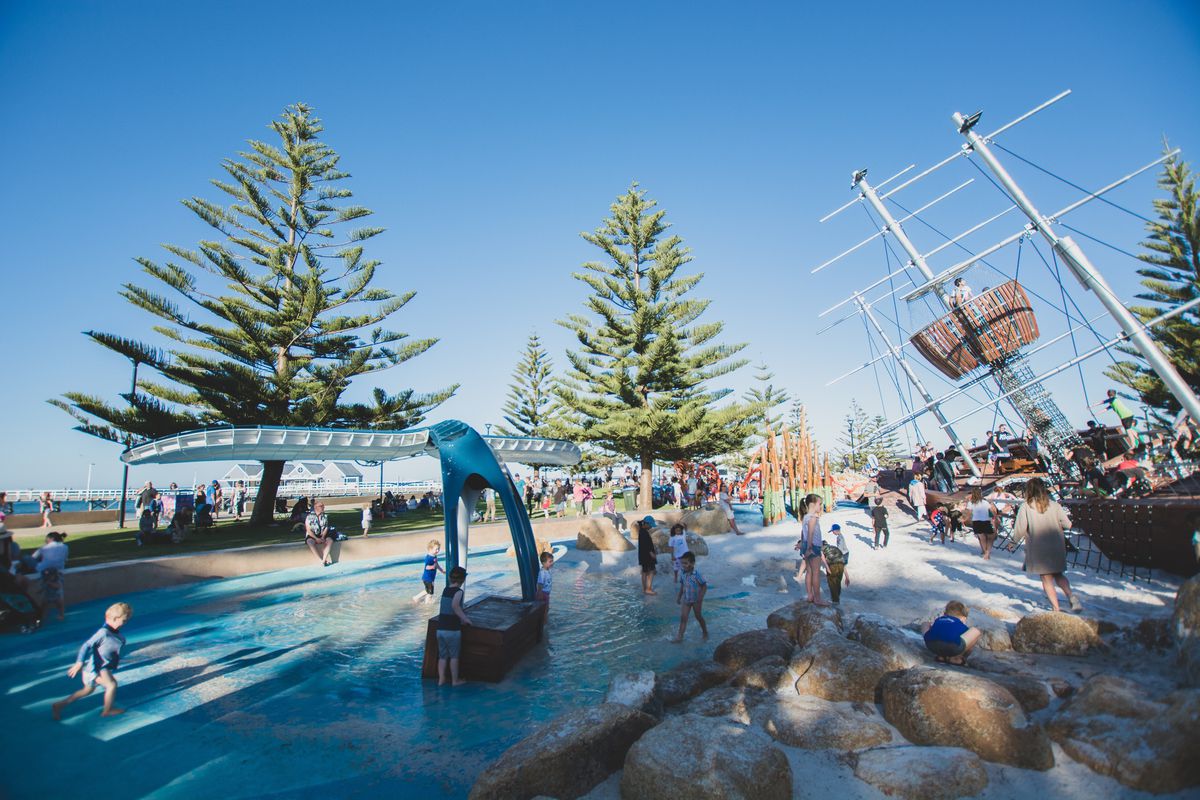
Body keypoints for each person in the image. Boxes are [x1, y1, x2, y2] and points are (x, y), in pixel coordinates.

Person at [1008, 477, 1082, 613]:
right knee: (1059, 574)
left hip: (1038, 547)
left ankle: (1056, 608)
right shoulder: (1054, 505)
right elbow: (1068, 524)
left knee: (1046, 579)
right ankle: (1071, 597)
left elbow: (1020, 527)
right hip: (1056, 545)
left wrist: (1013, 542)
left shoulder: (1026, 506)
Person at [52, 602, 134, 719]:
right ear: (115, 618)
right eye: (124, 620)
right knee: (111, 685)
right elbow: (86, 645)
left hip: (95, 668)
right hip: (97, 668)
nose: (125, 623)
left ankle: (59, 705)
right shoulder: (103, 633)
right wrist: (79, 663)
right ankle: (107, 710)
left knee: (87, 691)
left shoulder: (113, 633)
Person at [436, 566, 472, 686]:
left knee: (442, 656)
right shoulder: (459, 592)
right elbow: (455, 606)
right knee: (454, 656)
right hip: (452, 630)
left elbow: (447, 608)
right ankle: (455, 681)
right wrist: (465, 619)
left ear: (450, 578)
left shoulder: (445, 590)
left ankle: (441, 680)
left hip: (440, 629)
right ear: (462, 580)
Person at [923, 600, 982, 666]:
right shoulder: (959, 623)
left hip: (931, 645)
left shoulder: (939, 619)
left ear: (945, 614)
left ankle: (941, 656)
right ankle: (956, 658)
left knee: (925, 624)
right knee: (976, 631)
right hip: (952, 647)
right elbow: (967, 639)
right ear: (963, 618)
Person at [795, 494, 829, 606]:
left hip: (806, 545)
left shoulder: (805, 517)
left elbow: (803, 532)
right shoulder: (813, 518)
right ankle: (817, 599)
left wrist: (801, 544)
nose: (820, 506)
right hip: (813, 546)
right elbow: (810, 533)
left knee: (809, 572)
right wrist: (809, 547)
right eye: (819, 504)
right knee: (816, 573)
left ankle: (810, 595)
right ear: (813, 504)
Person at [670, 551, 708, 642]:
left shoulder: (696, 574)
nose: (683, 565)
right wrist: (679, 597)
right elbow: (682, 585)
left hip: (696, 600)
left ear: (692, 563)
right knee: (683, 618)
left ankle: (705, 632)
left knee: (698, 616)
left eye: (685, 563)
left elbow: (704, 586)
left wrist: (700, 598)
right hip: (686, 599)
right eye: (682, 563)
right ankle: (680, 637)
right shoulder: (682, 572)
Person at [33, 531, 69, 621]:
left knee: (47, 596)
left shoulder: (43, 548)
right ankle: (61, 614)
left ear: (50, 539)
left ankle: (41, 615)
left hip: (46, 573)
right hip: (58, 572)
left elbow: (33, 558)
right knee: (58, 594)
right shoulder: (65, 547)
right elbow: (65, 559)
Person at [966, 487, 999, 560]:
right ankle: (987, 552)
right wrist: (995, 517)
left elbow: (968, 513)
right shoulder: (985, 502)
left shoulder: (970, 503)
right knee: (990, 538)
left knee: (982, 538)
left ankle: (984, 552)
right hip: (986, 521)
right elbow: (991, 511)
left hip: (976, 522)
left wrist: (965, 519)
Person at [822, 523, 850, 604]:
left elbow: (840, 549)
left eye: (833, 531)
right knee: (838, 579)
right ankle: (837, 597)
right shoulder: (840, 537)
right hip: (840, 556)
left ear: (836, 530)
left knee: (833, 581)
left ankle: (835, 600)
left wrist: (827, 567)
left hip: (842, 554)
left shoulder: (840, 538)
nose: (833, 533)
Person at [414, 539, 445, 604]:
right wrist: (432, 567)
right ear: (430, 549)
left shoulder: (434, 556)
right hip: (427, 578)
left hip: (430, 578)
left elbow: (436, 565)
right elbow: (427, 567)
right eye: (436, 549)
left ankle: (416, 598)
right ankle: (427, 605)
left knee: (427, 590)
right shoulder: (428, 558)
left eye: (438, 549)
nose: (438, 550)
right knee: (430, 592)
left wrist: (441, 570)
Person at [304, 501, 333, 566]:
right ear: (315, 507)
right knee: (310, 542)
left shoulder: (325, 516)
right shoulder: (309, 517)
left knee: (330, 541)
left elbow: (326, 527)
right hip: (313, 535)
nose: (323, 507)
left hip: (323, 534)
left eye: (323, 506)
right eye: (321, 506)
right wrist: (316, 538)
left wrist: (322, 537)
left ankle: (324, 559)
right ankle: (320, 560)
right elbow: (308, 530)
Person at [636, 516, 658, 595]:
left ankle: (644, 588)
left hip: (643, 556)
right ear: (646, 524)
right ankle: (648, 589)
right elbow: (646, 545)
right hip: (647, 556)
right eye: (650, 525)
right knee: (651, 571)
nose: (651, 527)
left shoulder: (642, 531)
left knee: (645, 572)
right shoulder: (644, 533)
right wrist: (651, 553)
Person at [536, 551, 553, 621]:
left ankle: (544, 621)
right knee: (544, 610)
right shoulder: (542, 572)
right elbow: (540, 583)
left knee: (546, 608)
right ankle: (543, 623)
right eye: (550, 561)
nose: (552, 563)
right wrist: (539, 593)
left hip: (546, 593)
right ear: (543, 563)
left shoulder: (548, 570)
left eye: (552, 561)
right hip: (543, 593)